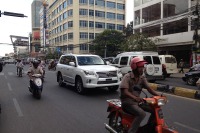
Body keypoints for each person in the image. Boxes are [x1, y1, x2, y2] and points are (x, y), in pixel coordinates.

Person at [120, 57, 160, 133]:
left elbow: (149, 88)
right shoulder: (127, 77)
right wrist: (134, 98)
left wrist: (159, 96)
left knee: (155, 110)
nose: (143, 69)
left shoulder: (142, 77)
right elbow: (125, 91)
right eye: (141, 67)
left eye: (143, 67)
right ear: (134, 67)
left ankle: (148, 129)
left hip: (137, 102)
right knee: (141, 114)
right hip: (127, 102)